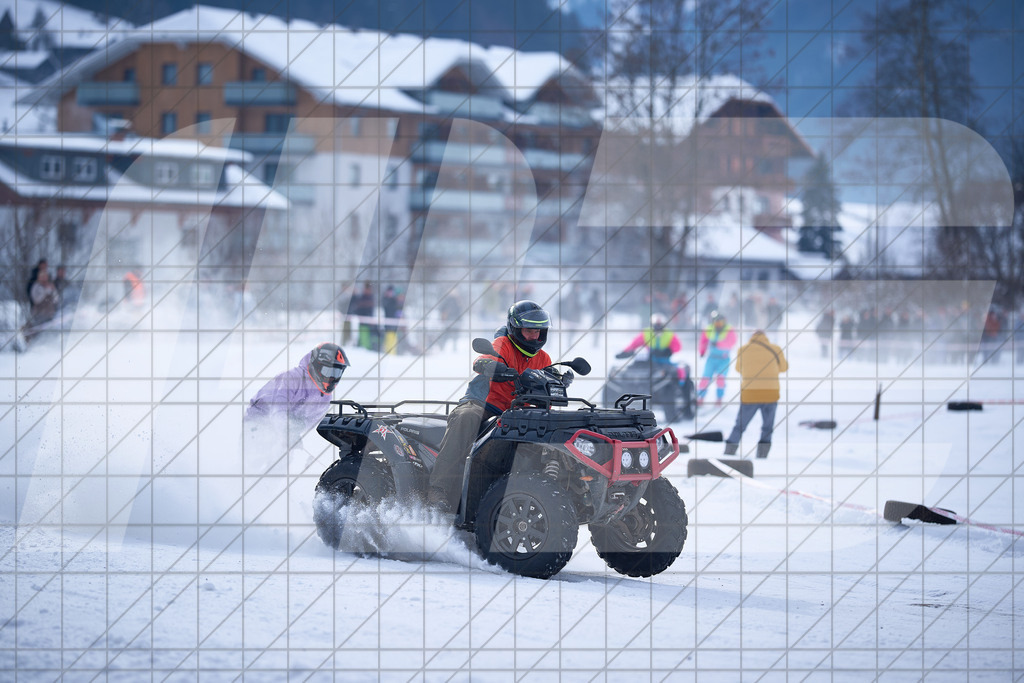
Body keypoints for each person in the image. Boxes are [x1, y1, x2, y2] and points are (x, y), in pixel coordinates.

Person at [428, 300, 553, 513]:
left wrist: (557, 379)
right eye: (529, 330)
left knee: (553, 426)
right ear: (515, 329)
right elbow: (482, 359)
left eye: (538, 331)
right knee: (467, 416)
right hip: (484, 404)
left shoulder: (544, 358)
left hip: (516, 410)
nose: (534, 336)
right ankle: (436, 491)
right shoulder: (503, 344)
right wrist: (489, 365)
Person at [246, 342, 350, 433]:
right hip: (257, 421)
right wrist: (285, 430)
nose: (332, 378)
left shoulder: (325, 398)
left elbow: (310, 422)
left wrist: (296, 430)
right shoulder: (293, 378)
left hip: (283, 430)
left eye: (336, 373)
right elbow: (278, 407)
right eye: (328, 371)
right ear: (316, 365)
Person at [724, 330, 788, 459]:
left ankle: (729, 451)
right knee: (767, 427)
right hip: (771, 394)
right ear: (766, 338)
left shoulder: (743, 349)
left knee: (740, 425)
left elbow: (738, 369)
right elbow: (784, 368)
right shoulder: (775, 348)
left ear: (752, 337)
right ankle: (762, 454)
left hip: (750, 393)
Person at [616, 313, 691, 415]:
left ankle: (684, 402)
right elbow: (634, 344)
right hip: (649, 362)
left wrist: (669, 350)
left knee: (677, 374)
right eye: (656, 324)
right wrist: (624, 352)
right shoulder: (647, 333)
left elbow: (677, 346)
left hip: (664, 362)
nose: (658, 326)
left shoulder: (669, 334)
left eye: (660, 324)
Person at [697, 311, 737, 406]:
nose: (718, 324)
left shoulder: (729, 330)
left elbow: (732, 342)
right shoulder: (709, 329)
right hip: (711, 358)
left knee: (720, 379)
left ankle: (719, 398)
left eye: (720, 322)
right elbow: (703, 341)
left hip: (723, 359)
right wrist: (702, 351)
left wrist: (718, 344)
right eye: (716, 322)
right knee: (705, 378)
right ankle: (700, 397)